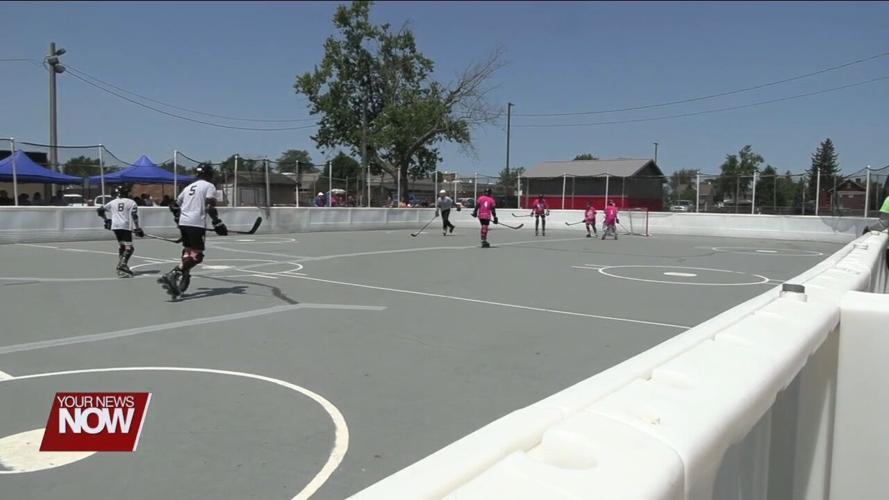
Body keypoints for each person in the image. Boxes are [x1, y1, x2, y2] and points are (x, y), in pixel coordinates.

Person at [157, 165, 227, 298]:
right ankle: (174, 273)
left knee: (188, 250)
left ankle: (184, 275)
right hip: (196, 223)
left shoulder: (188, 187)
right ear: (209, 174)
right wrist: (217, 222)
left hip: (184, 222)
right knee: (197, 256)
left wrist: (179, 219)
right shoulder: (209, 186)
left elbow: (174, 205)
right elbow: (210, 206)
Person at [97, 184, 144, 277]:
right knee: (129, 248)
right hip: (125, 226)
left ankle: (123, 265)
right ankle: (122, 265)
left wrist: (106, 220)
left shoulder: (113, 202)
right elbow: (134, 215)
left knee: (122, 246)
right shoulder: (131, 202)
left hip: (115, 226)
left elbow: (100, 210)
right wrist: (137, 227)